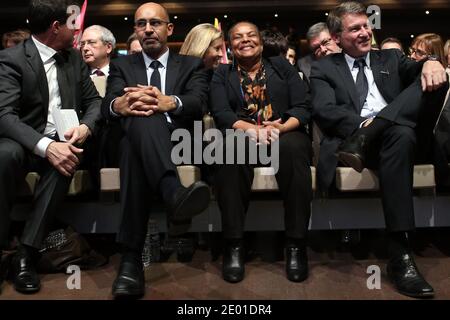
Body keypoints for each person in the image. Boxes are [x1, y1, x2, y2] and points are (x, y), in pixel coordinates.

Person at [310, 1, 447, 299]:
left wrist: (431, 62)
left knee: (424, 86)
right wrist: (363, 127)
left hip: (397, 142)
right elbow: (325, 111)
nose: (365, 32)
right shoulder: (323, 67)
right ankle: (400, 255)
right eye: (355, 28)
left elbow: (419, 72)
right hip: (356, 145)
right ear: (335, 38)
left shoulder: (392, 58)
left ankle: (376, 131)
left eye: (366, 25)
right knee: (400, 132)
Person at [101, 2, 210, 299]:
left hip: (177, 143)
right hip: (134, 138)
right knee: (137, 129)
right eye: (141, 24)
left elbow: (199, 102)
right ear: (135, 29)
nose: (148, 29)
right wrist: (117, 105)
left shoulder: (190, 64)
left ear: (169, 29)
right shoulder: (123, 65)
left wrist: (170, 102)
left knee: (135, 140)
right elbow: (108, 104)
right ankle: (173, 192)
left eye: (155, 23)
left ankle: (130, 260)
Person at [0, 0, 101, 294]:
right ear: (57, 27)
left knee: (67, 159)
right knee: (4, 154)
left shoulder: (74, 59)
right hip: (24, 141)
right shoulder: (12, 59)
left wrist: (86, 126)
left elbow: (95, 102)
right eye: (73, 24)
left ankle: (25, 255)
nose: (77, 30)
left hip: (64, 139)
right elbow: (4, 115)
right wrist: (45, 146)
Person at [210, 21, 313, 284]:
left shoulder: (282, 66)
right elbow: (221, 113)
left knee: (293, 149)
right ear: (229, 45)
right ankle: (233, 245)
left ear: (260, 40)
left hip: (283, 133)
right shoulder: (222, 73)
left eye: (251, 35)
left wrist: (281, 127)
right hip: (242, 134)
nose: (245, 40)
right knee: (229, 150)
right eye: (237, 37)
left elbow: (302, 107)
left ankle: (295, 245)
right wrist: (250, 129)